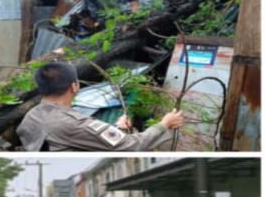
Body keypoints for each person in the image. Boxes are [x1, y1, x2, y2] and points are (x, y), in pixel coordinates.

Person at [16, 62, 183, 151]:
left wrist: (117, 129)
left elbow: (74, 140)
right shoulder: (74, 123)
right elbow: (131, 145)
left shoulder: (32, 115)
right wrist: (164, 125)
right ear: (74, 86)